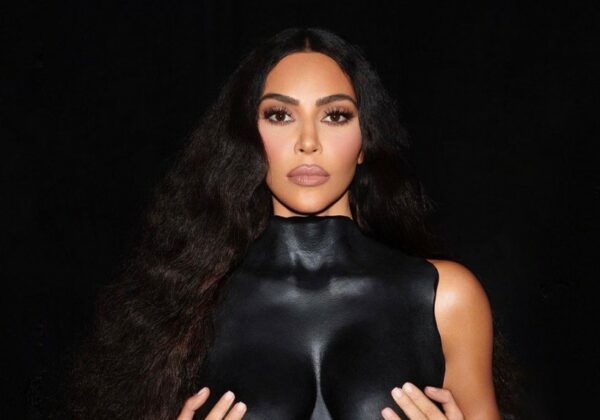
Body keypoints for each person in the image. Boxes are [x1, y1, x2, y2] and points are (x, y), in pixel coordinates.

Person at [67, 27, 519, 419]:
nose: (307, 142)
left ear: (365, 141)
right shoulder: (182, 305)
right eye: (280, 115)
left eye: (335, 115)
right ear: (248, 137)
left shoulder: (445, 298)